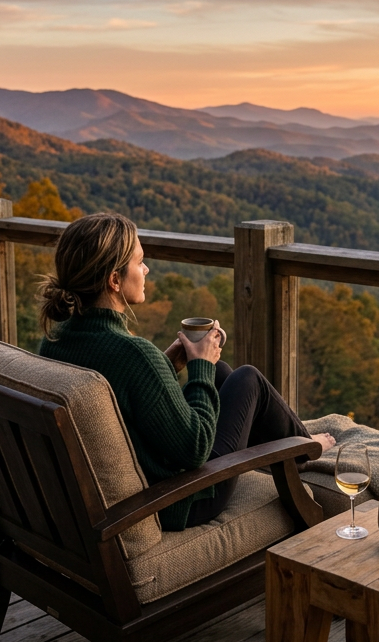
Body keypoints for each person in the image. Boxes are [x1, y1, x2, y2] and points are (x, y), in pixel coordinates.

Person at [36, 212, 335, 530]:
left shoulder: (56, 341)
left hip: (119, 487)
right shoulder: (134, 355)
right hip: (177, 499)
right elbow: (195, 447)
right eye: (140, 262)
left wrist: (170, 365)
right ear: (114, 280)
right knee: (247, 379)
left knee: (222, 372)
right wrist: (199, 367)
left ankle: (292, 443)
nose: (146, 269)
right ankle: (302, 448)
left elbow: (123, 389)